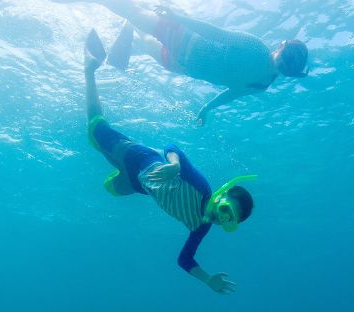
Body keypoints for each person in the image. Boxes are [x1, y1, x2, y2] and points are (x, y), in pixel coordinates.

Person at [82, 30, 255, 293]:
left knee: (110, 188)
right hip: (141, 159)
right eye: (225, 210)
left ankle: (114, 164)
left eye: (228, 220)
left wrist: (207, 279)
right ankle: (91, 68)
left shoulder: (201, 227)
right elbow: (171, 148)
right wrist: (174, 165)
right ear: (221, 196)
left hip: (139, 184)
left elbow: (184, 260)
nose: (221, 219)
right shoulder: (201, 187)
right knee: (95, 131)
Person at [57, 0, 308, 125]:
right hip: (182, 37)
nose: (286, 64)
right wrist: (178, 18)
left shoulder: (262, 85)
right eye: (288, 57)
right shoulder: (255, 47)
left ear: (292, 73)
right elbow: (214, 33)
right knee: (133, 13)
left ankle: (131, 27)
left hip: (181, 65)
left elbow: (231, 94)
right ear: (281, 46)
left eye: (291, 67)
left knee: (145, 42)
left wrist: (206, 109)